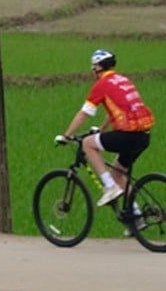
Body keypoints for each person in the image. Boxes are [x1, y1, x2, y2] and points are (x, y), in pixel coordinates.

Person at [58, 49, 154, 209]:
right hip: (143, 135)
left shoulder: (101, 85)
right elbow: (117, 111)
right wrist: (101, 130)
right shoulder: (123, 80)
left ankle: (109, 187)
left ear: (97, 68)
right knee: (118, 172)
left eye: (93, 68)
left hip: (128, 134)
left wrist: (66, 136)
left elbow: (84, 114)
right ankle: (136, 217)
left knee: (87, 144)